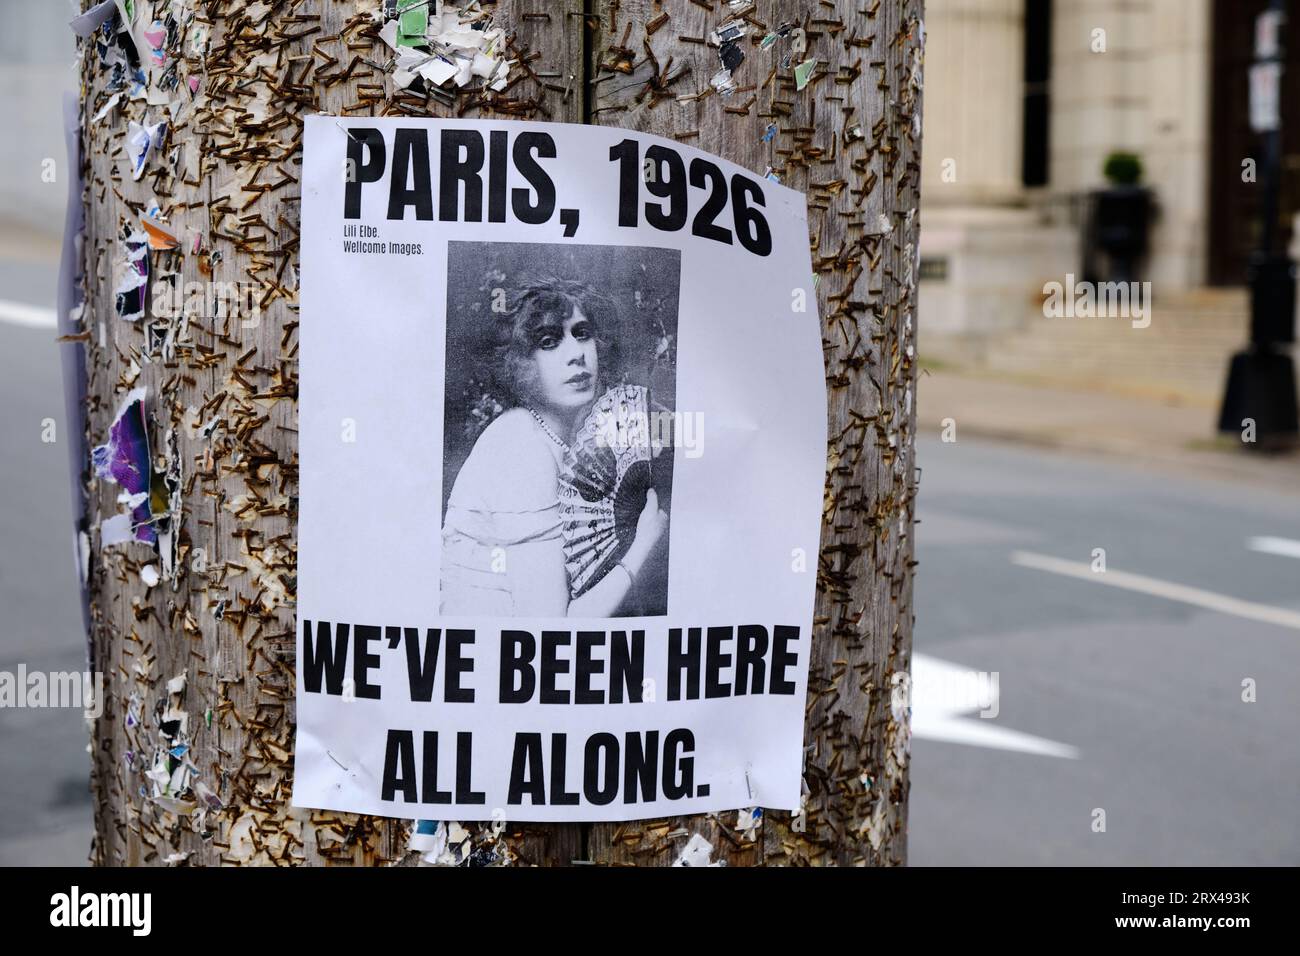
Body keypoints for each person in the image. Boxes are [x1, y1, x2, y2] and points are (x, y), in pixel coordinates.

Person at [440, 278, 668, 617]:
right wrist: (644, 544)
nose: (576, 354)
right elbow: (550, 628)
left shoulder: (557, 437)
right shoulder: (521, 443)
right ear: (519, 363)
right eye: (549, 342)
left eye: (582, 333)